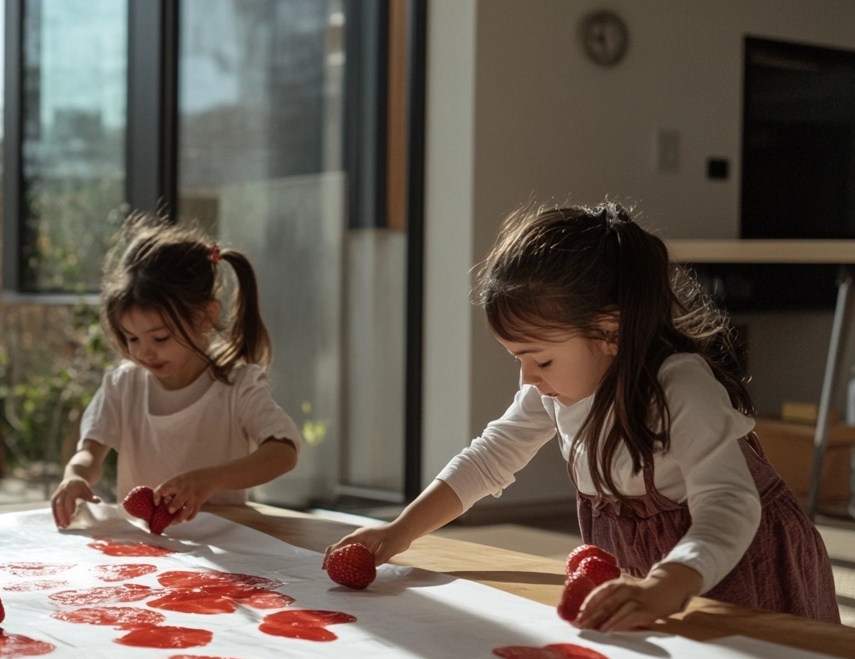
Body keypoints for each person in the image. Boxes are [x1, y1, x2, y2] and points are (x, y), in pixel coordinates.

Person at [326, 202, 839, 631]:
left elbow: (729, 503)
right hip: (662, 579)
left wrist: (673, 578)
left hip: (742, 563)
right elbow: (490, 457)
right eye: (518, 359)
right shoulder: (552, 390)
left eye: (541, 359)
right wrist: (400, 530)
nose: (529, 378)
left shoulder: (681, 388)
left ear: (608, 332)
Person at [51, 214, 300, 529]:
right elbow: (89, 454)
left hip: (226, 547)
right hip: (147, 552)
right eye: (131, 338)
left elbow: (283, 452)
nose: (143, 351)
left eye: (160, 337)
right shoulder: (123, 385)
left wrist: (210, 480)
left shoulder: (239, 385)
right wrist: (74, 477)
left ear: (205, 317)